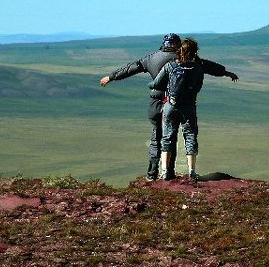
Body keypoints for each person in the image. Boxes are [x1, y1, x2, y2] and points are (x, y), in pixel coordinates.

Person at [99, 33, 238, 180]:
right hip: (178, 103)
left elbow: (131, 68)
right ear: (179, 45)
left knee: (157, 137)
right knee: (172, 137)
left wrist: (111, 77)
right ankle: (169, 173)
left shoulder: (151, 58)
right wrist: (225, 72)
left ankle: (152, 174)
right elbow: (208, 66)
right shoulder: (185, 59)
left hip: (157, 102)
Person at [150, 37, 206, 181]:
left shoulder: (170, 66)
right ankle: (192, 171)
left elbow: (156, 83)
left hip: (171, 106)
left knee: (167, 138)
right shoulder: (199, 68)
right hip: (189, 107)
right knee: (190, 137)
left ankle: (164, 172)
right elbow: (199, 86)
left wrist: (150, 86)